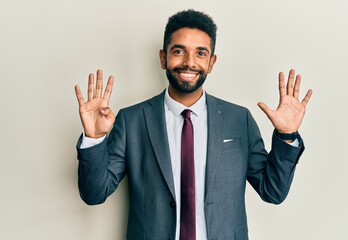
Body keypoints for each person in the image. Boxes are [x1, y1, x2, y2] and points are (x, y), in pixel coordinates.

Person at [74, 9, 312, 240]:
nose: (189, 62)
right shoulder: (132, 120)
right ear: (163, 58)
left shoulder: (239, 120)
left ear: (211, 62)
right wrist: (94, 139)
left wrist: (286, 135)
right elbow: (94, 194)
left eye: (200, 53)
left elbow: (273, 192)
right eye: (179, 51)